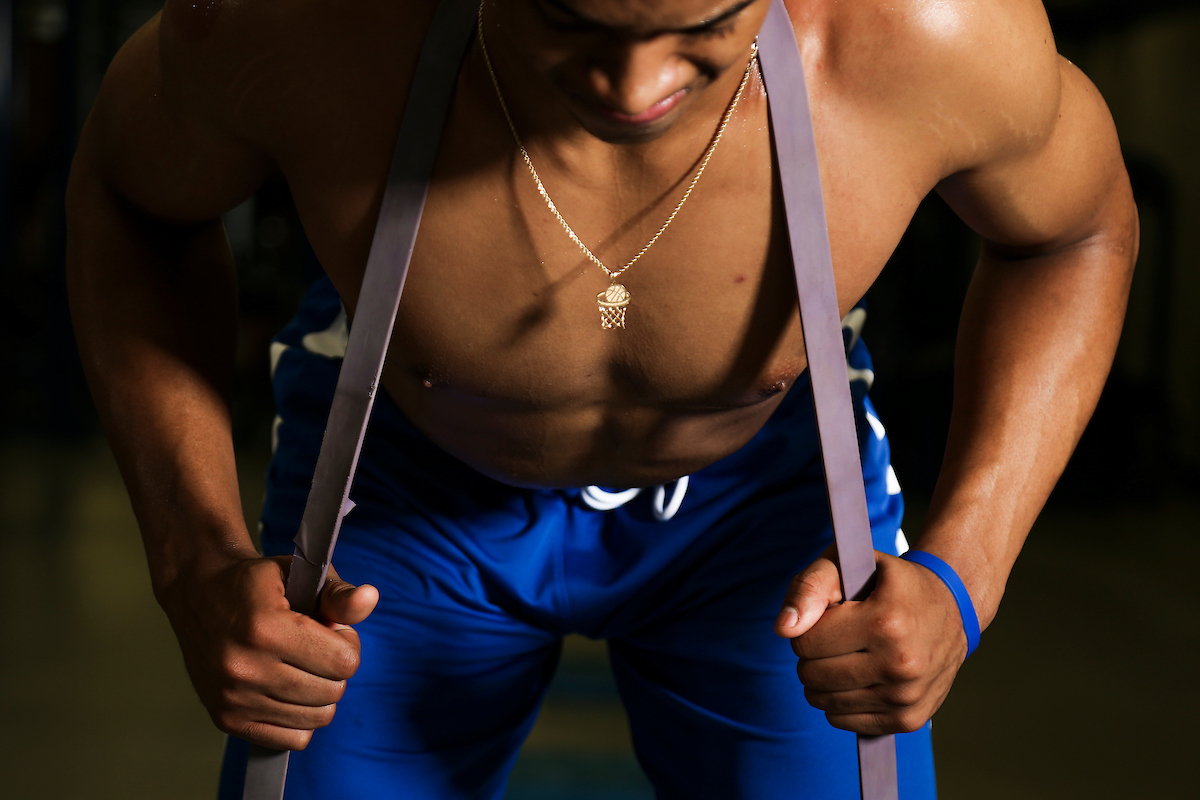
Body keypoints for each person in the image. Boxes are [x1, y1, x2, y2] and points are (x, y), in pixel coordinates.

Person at [66, 0, 1137, 797]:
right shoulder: (303, 27)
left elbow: (1075, 227)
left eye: (703, 29)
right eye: (564, 22)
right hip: (400, 495)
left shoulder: (927, 32)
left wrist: (963, 577)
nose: (632, 91)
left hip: (764, 507)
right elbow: (130, 193)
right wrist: (192, 557)